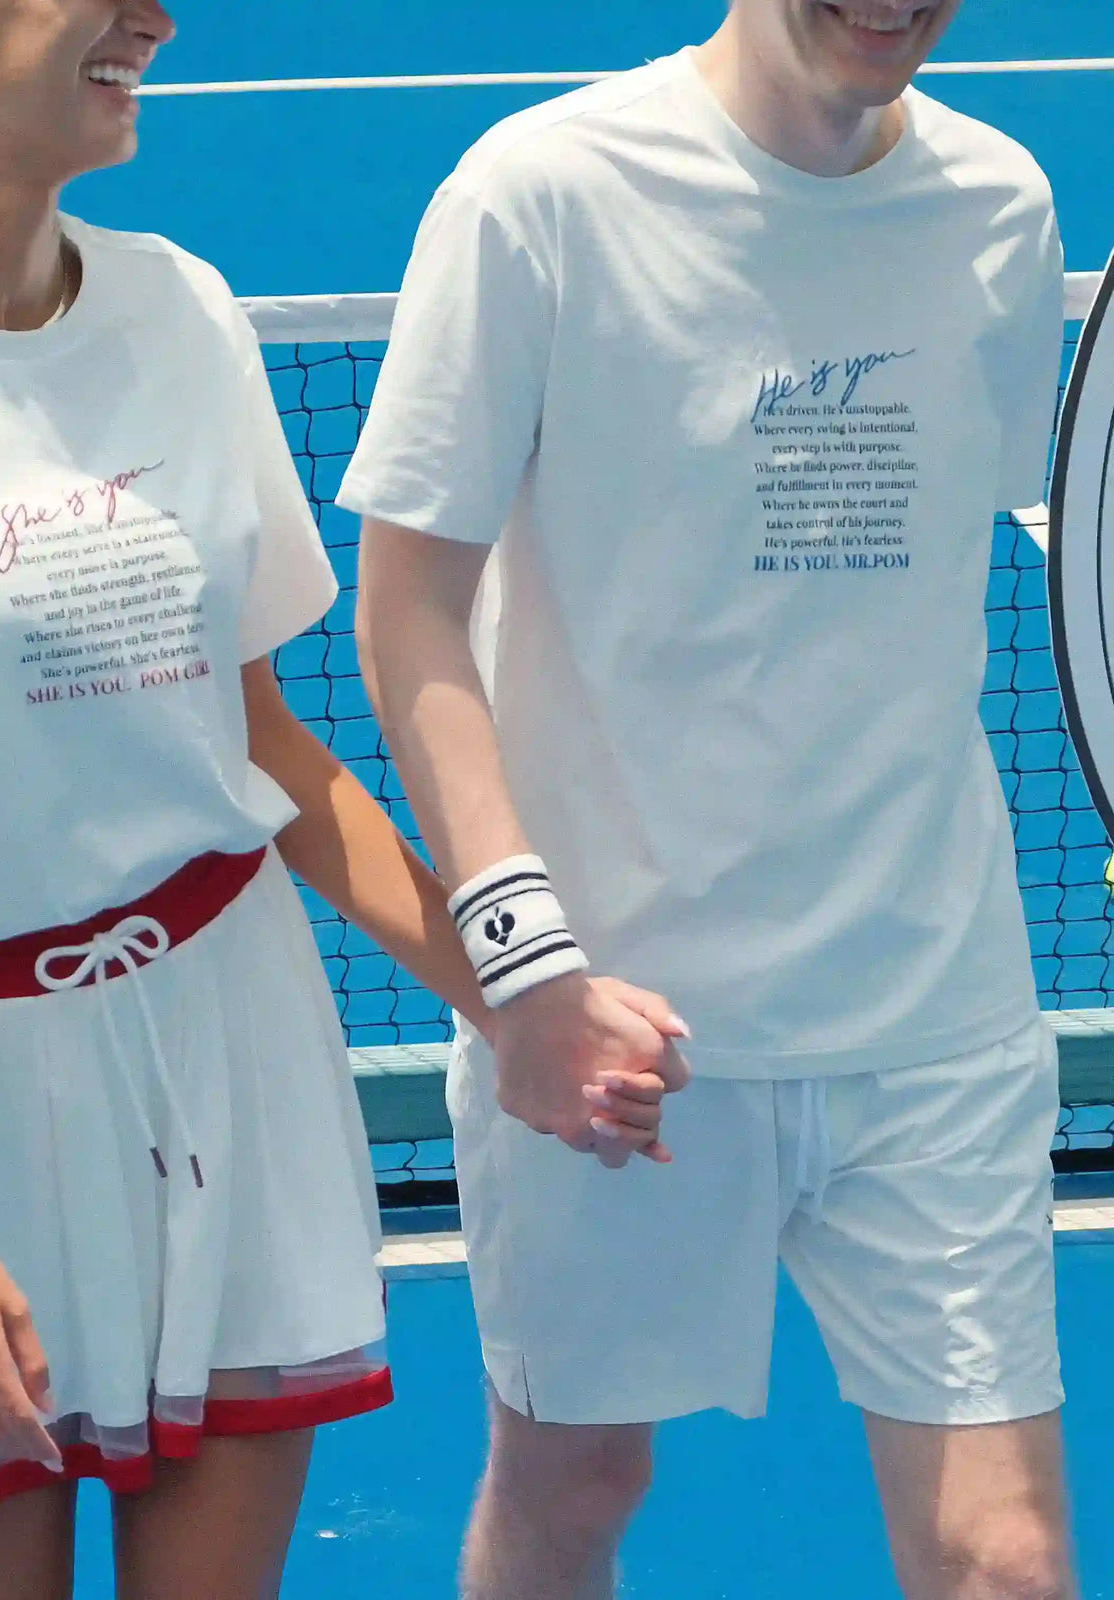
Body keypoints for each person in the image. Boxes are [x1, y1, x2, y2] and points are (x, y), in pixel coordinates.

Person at [0, 2, 679, 1596]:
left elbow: (261, 738)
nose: (155, 17)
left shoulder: (181, 310)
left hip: (224, 1054)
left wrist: (514, 1000)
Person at [338, 1, 1076, 1596]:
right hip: (620, 1030)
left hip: (929, 1010)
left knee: (1008, 1558)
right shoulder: (537, 194)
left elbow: (1005, 547)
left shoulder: (1002, 208)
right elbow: (402, 609)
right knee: (573, 1491)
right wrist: (525, 971)